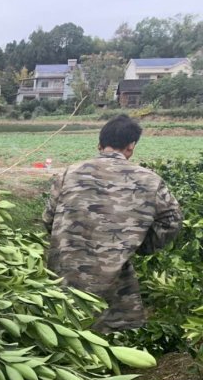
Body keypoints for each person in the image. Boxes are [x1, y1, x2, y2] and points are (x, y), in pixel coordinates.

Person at [42, 114, 183, 334]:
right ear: (131, 146)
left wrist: (67, 243)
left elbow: (48, 218)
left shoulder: (68, 174)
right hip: (114, 273)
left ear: (99, 144)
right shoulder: (150, 180)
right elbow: (172, 220)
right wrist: (139, 245)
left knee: (62, 328)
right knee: (117, 334)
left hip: (65, 271)